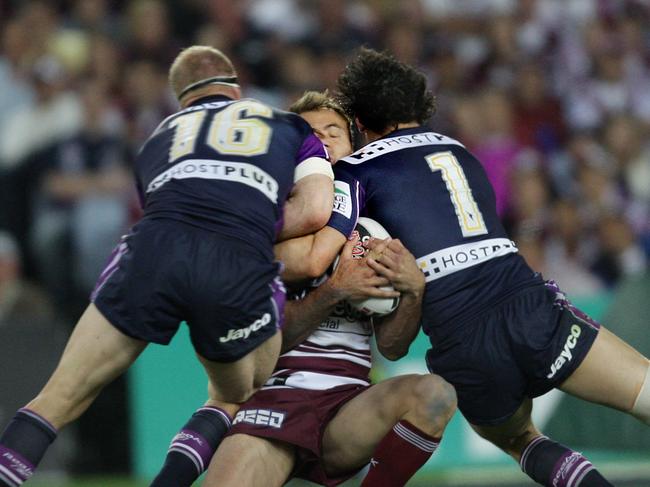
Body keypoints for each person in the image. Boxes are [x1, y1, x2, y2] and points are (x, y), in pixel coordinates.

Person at [300, 48, 650, 487]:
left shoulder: (352, 172)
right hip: (528, 308)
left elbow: (324, 251)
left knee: (520, 438)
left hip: (462, 343)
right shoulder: (461, 150)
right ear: (415, 104)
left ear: (360, 122)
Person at [0, 46, 336, 487]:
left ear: (182, 100)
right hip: (234, 259)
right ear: (236, 88)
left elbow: (161, 203)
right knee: (236, 396)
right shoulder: (289, 125)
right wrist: (249, 216)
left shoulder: (158, 136)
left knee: (58, 396)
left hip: (153, 251)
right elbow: (314, 210)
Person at [152, 91, 457, 487]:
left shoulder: (378, 231)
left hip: (347, 409)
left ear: (353, 147)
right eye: (311, 133)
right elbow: (267, 341)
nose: (325, 139)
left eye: (334, 131)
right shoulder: (268, 222)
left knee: (435, 394)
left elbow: (394, 347)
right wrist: (335, 290)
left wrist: (413, 291)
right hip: (274, 400)